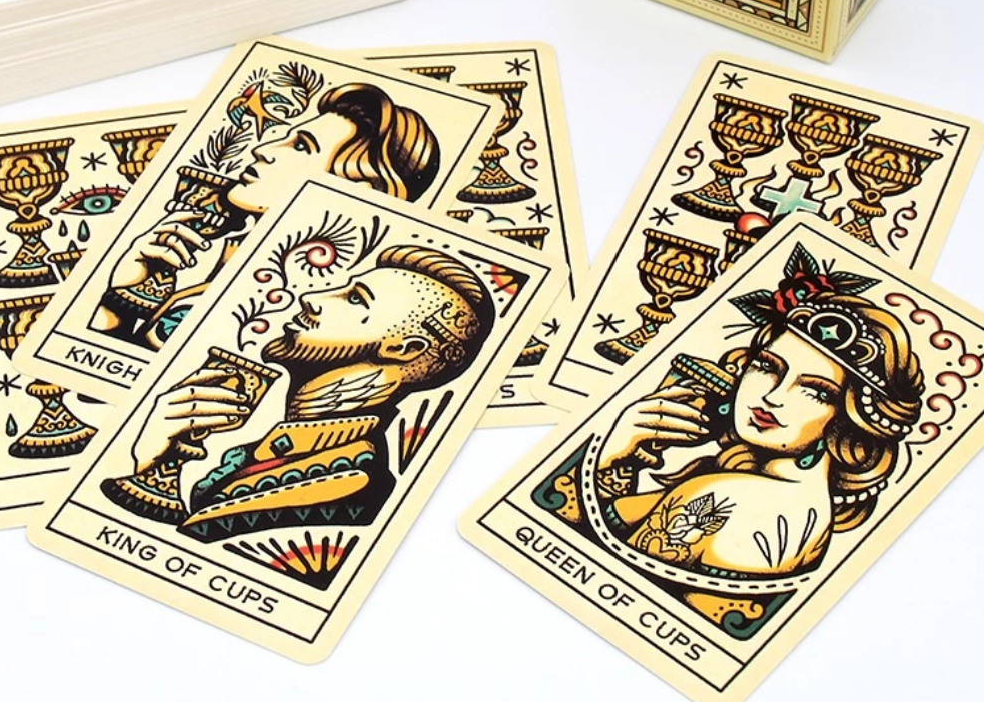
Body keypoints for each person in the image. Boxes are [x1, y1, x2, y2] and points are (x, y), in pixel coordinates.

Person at [545, 245, 923, 601]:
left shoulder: (725, 496)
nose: (773, 395)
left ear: (848, 421)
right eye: (767, 366)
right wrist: (620, 457)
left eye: (816, 391)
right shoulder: (798, 501)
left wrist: (605, 452)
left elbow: (575, 570)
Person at [103, 246, 494, 560]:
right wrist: (149, 462)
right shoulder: (270, 453)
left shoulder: (344, 482)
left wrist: (147, 479)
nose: (311, 297)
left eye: (354, 299)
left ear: (402, 349)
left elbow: (172, 556)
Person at [90, 83, 441, 347]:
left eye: (301, 146)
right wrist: (123, 299)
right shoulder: (221, 269)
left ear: (354, 190)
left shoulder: (308, 312)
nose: (263, 149)